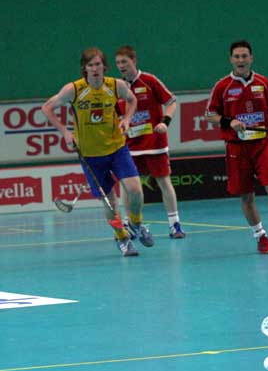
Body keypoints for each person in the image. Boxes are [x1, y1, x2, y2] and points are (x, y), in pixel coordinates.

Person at [42, 47, 154, 256]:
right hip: (91, 155)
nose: (95, 69)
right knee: (109, 201)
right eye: (90, 65)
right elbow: (47, 108)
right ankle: (122, 238)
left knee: (135, 190)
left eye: (98, 64)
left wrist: (127, 119)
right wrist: (65, 132)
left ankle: (136, 224)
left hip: (117, 148)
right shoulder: (74, 90)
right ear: (84, 68)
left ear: (104, 66)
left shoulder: (116, 85)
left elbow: (132, 100)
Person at [206, 40, 268, 254]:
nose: (241, 60)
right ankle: (261, 237)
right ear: (231, 59)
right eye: (237, 56)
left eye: (244, 56)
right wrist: (230, 121)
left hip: (261, 144)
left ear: (251, 58)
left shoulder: (263, 83)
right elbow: (210, 115)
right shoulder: (222, 86)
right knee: (246, 196)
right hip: (236, 148)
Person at [115, 45, 185, 239]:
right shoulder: (117, 88)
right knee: (127, 186)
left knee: (164, 182)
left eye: (124, 62)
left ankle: (175, 225)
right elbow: (114, 115)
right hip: (129, 146)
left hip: (154, 143)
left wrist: (165, 122)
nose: (121, 66)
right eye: (118, 63)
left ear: (134, 61)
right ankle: (129, 224)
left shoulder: (149, 81)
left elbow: (171, 102)